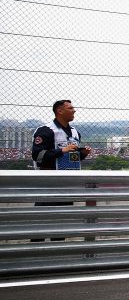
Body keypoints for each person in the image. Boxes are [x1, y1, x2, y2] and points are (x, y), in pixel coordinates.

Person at [30, 100, 92, 242]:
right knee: (41, 221)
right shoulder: (46, 130)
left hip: (67, 184)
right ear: (60, 111)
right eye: (70, 108)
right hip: (48, 183)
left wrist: (82, 154)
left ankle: (56, 252)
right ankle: (34, 253)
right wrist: (61, 150)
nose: (74, 110)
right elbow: (37, 155)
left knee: (61, 223)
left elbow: (72, 158)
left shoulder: (75, 132)